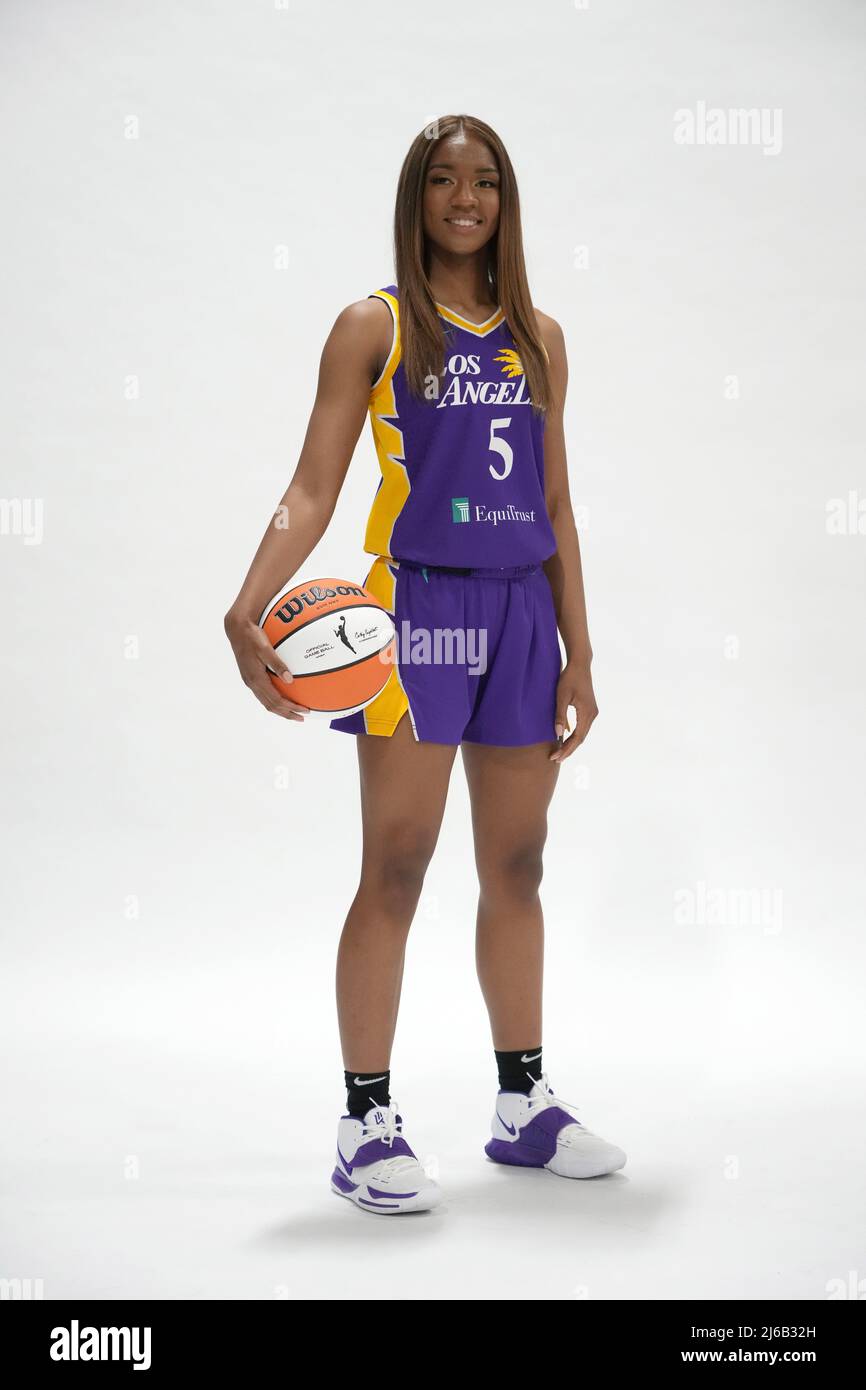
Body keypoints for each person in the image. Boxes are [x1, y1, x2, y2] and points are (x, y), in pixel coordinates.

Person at [224, 114, 626, 1216]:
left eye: (484, 181)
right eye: (443, 180)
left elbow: (554, 504)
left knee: (518, 867)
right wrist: (248, 601)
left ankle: (522, 1105)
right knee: (396, 865)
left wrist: (576, 647)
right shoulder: (376, 324)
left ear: (505, 200)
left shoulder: (539, 333)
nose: (465, 197)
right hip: (419, 612)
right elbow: (311, 484)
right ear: (414, 198)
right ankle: (365, 1122)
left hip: (518, 617)